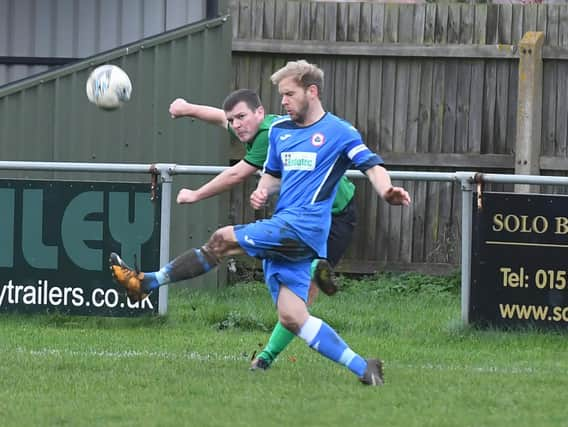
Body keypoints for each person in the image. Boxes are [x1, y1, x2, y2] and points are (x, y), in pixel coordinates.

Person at [109, 59, 411, 386]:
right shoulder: (280, 131)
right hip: (287, 227)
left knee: (222, 240)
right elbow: (272, 174)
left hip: (304, 228)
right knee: (293, 317)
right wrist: (262, 192)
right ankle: (365, 369)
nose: (283, 101)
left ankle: (146, 283)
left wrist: (386, 190)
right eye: (281, 95)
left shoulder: (339, 132)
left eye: (289, 94)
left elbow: (371, 164)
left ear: (312, 92)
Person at [168, 89, 359, 371]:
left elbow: (236, 174)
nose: (236, 124)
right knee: (297, 299)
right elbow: (222, 117)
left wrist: (195, 194)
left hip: (330, 218)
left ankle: (267, 356)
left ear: (258, 113)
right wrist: (188, 108)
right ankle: (316, 276)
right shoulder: (261, 124)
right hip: (303, 218)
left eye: (241, 118)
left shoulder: (268, 136)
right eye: (233, 120)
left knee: (302, 299)